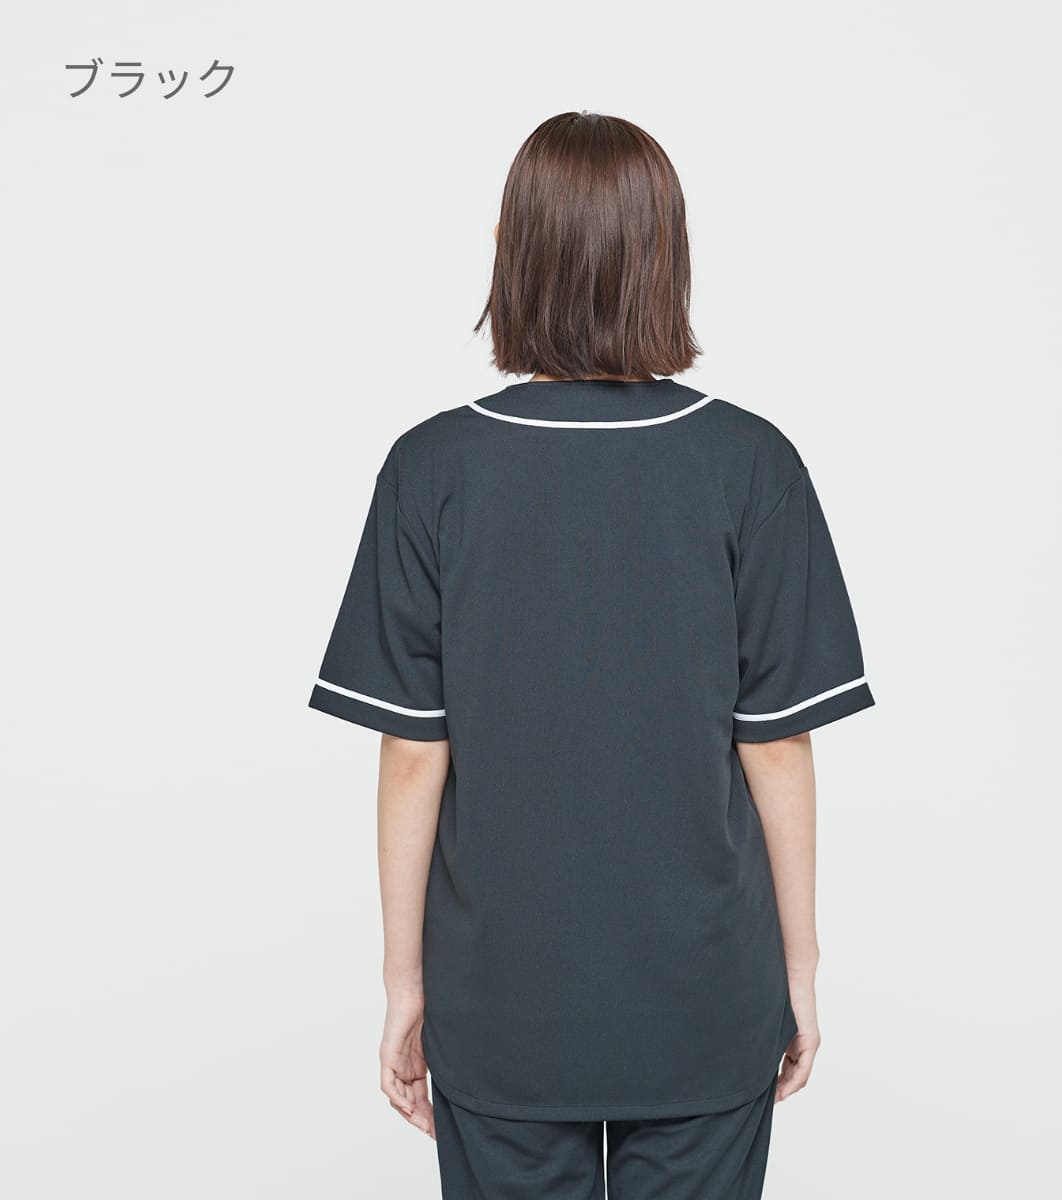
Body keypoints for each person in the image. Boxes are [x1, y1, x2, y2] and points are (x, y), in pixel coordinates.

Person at [307, 110, 875, 1200]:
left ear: (510, 253)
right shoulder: (751, 464)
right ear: (669, 257)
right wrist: (799, 971)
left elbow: (415, 753)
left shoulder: (432, 470)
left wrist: (404, 984)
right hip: (706, 998)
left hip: (498, 1005)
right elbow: (775, 747)